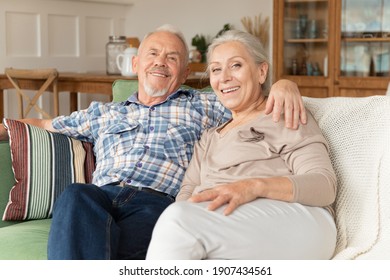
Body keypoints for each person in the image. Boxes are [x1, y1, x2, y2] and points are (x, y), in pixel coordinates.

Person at [0, 25, 306, 260]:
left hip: (158, 204)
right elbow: (41, 124)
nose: (161, 62)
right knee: (75, 195)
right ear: (135, 64)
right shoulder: (104, 113)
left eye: (172, 58)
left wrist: (285, 84)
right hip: (99, 199)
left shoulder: (204, 104)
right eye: (153, 54)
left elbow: (252, 95)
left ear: (185, 72)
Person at [146, 30, 337, 260]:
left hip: (299, 221)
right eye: (216, 69)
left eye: (235, 65)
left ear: (261, 71)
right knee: (178, 221)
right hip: (229, 226)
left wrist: (253, 187)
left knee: (177, 221)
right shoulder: (209, 138)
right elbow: (188, 193)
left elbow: (325, 185)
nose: (224, 77)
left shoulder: (283, 113)